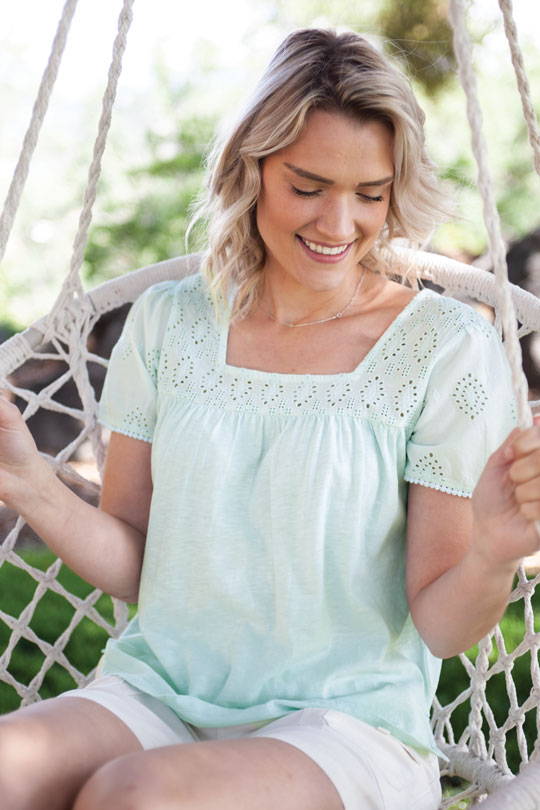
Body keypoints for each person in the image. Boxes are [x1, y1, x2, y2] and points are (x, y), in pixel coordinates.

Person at [1, 27, 540, 810]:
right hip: (158, 696)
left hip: (345, 728)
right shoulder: (170, 324)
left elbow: (444, 628)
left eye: (370, 193)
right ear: (250, 168)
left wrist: (492, 552)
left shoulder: (442, 348)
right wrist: (29, 484)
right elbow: (136, 564)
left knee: (136, 798)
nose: (339, 224)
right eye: (308, 185)